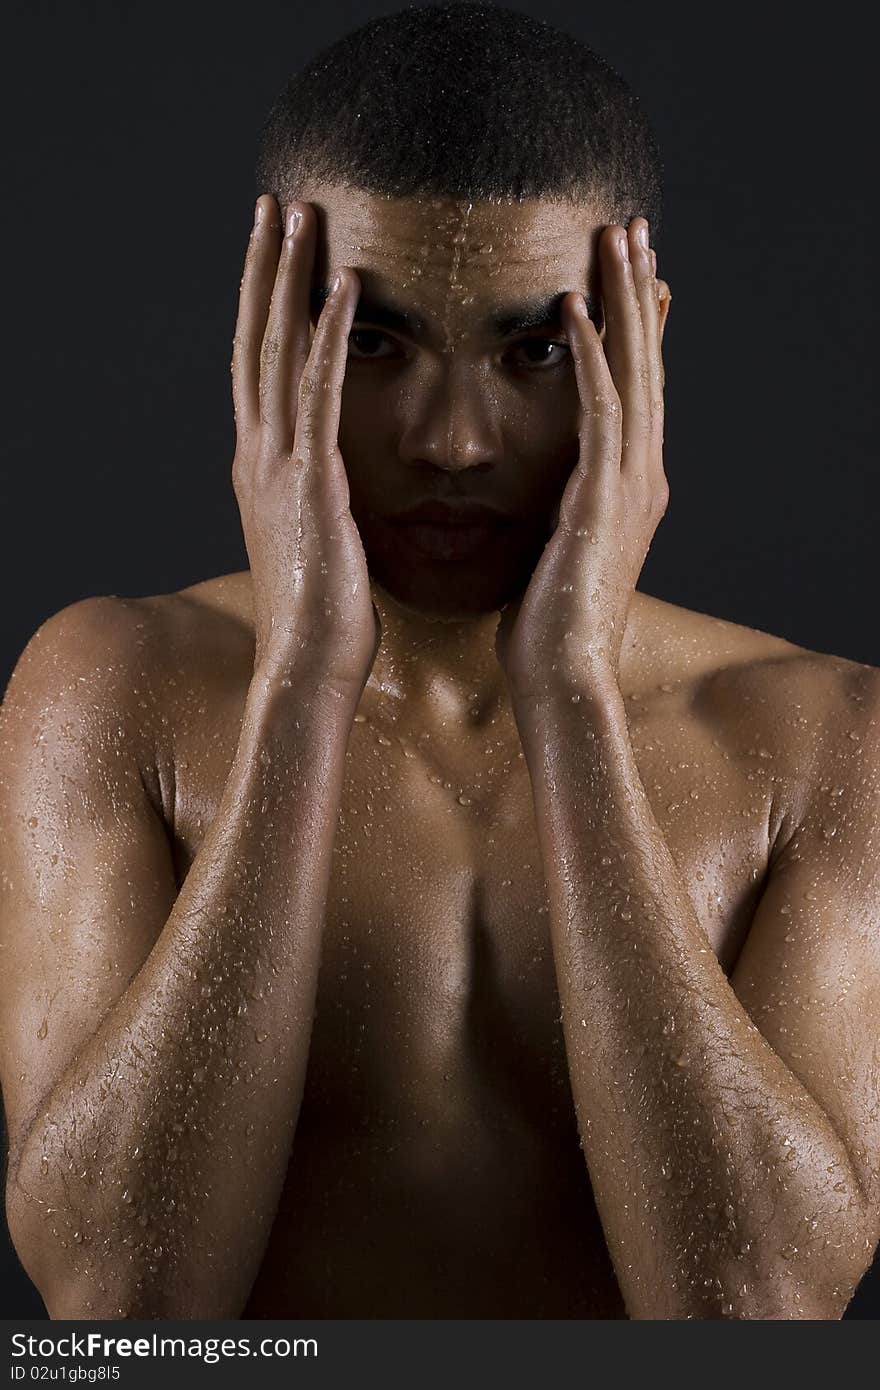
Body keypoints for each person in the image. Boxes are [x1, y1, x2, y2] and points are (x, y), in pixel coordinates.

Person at [1, 2, 878, 1321]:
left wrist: (574, 698)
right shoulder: (111, 689)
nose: (457, 440)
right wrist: (300, 681)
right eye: (374, 342)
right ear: (267, 343)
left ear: (640, 347)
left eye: (535, 350)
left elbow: (752, 1316)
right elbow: (122, 1313)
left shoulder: (822, 737)